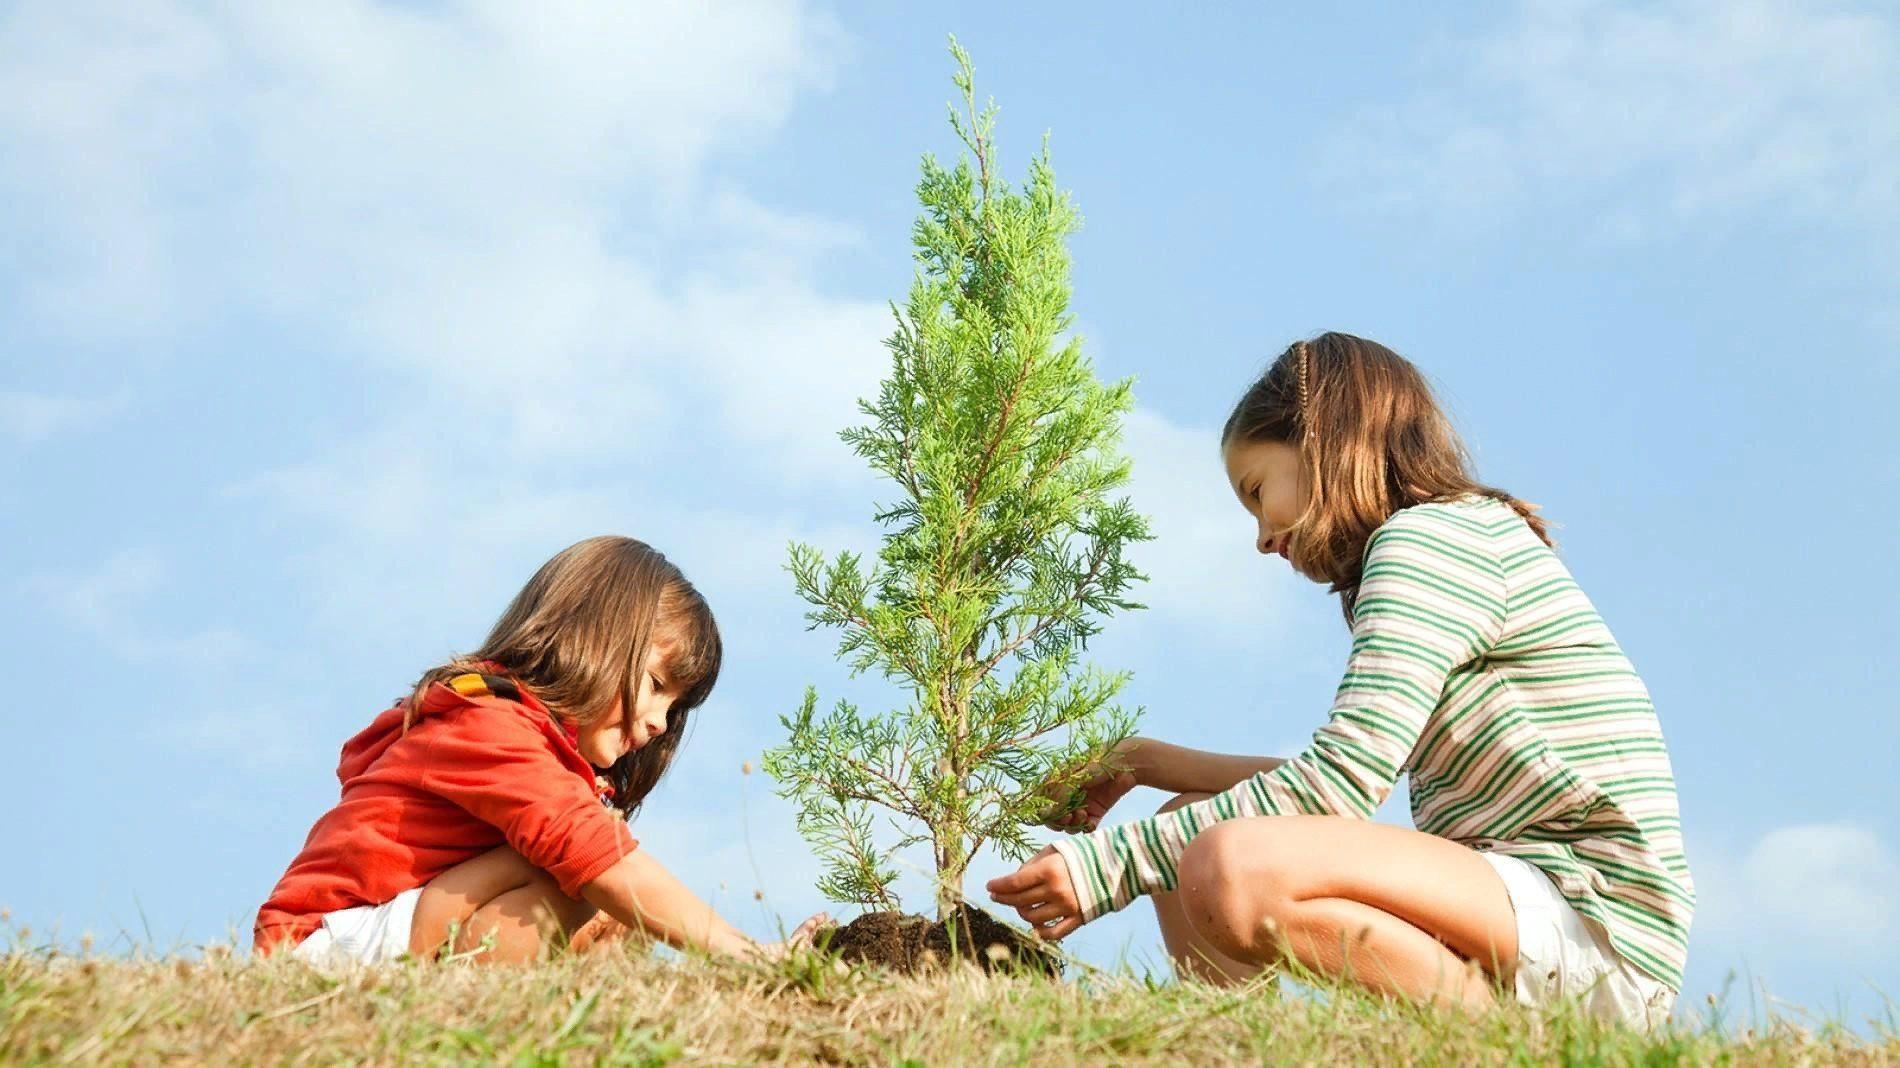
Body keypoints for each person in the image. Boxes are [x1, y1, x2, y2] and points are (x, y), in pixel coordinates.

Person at [988, 333, 1691, 1029]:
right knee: (1192, 831)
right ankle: (1226, 1046)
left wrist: (1104, 864)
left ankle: (1519, 1047)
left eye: (1257, 490)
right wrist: (1144, 764)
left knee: (1229, 864)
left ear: (1323, 439)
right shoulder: (1452, 542)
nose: (1262, 536)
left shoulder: (1428, 543)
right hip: (1528, 912)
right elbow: (1331, 795)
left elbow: (1337, 787)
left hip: (1589, 921)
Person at [255, 535, 824, 965]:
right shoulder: (487, 724)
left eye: (675, 709)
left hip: (394, 932)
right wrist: (748, 955)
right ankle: (459, 1016)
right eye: (654, 686)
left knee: (612, 913)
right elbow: (593, 856)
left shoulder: (538, 751)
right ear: (593, 639)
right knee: (575, 874)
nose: (658, 722)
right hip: (321, 955)